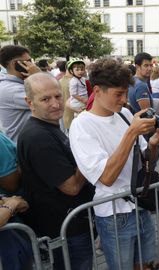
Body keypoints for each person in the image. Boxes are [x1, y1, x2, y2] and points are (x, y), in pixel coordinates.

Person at [69, 58, 159, 270]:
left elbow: (144, 162)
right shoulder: (82, 126)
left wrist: (152, 146)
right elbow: (106, 177)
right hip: (114, 215)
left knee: (149, 266)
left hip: (140, 206)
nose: (124, 100)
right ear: (97, 90)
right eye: (118, 94)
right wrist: (132, 132)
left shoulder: (124, 114)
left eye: (125, 93)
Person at [17, 73, 95, 270]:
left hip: (69, 225)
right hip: (66, 229)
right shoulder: (38, 137)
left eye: (58, 96)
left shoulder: (47, 127)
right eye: (45, 99)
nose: (55, 104)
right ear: (30, 103)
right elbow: (72, 187)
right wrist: (90, 155)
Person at [0, 45, 40, 141]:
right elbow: (48, 100)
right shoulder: (11, 89)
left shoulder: (20, 83)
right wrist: (38, 76)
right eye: (28, 61)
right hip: (24, 147)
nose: (33, 65)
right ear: (15, 64)